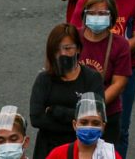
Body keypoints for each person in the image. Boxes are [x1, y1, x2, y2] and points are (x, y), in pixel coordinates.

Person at [69, 0, 135, 158]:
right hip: (85, 69)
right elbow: (72, 34)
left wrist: (115, 52)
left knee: (119, 126)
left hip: (122, 68)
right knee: (81, 124)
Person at [29, 24, 105, 158]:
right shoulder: (44, 79)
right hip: (48, 149)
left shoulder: (92, 78)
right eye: (57, 50)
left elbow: (95, 115)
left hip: (83, 150)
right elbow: (36, 118)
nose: (62, 53)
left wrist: (56, 111)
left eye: (68, 48)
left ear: (78, 49)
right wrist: (77, 120)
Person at [76, 0, 131, 145]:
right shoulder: (73, 38)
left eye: (102, 13)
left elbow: (118, 83)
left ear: (111, 16)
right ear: (84, 15)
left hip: (106, 113)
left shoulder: (120, 45)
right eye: (92, 13)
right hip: (72, 112)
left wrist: (92, 106)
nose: (96, 17)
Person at [43, 92, 122, 159]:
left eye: (96, 123)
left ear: (103, 127)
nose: (89, 127)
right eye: (84, 122)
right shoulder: (59, 154)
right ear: (75, 125)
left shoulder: (111, 156)